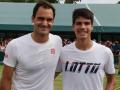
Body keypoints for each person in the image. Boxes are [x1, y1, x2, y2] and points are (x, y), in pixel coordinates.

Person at [0, 0, 62, 90]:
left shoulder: (57, 41)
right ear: (33, 19)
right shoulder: (15, 45)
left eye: (49, 19)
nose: (45, 23)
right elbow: (6, 79)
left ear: (53, 21)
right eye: (41, 18)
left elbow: (57, 68)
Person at [56, 8, 116, 90]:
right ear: (73, 27)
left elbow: (111, 80)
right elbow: (48, 78)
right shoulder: (63, 52)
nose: (83, 27)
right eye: (79, 23)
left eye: (87, 23)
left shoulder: (105, 52)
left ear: (92, 27)